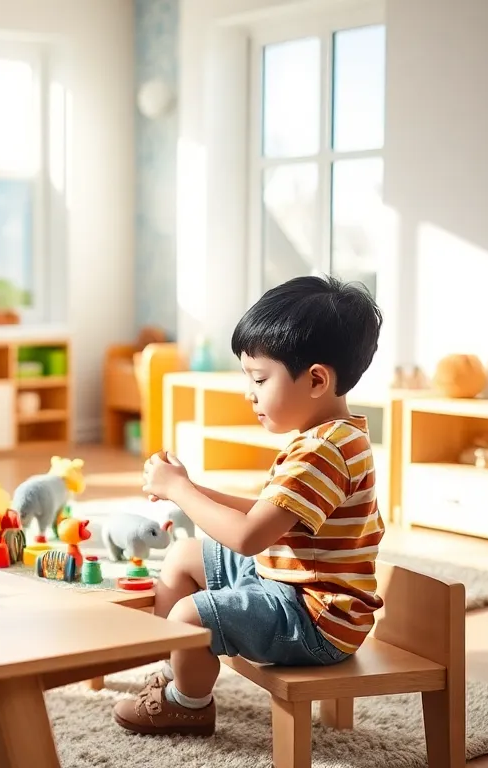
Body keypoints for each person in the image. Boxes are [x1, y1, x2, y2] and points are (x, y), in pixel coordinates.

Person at [114, 274, 385, 736]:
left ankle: (189, 703)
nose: (249, 393)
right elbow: (267, 512)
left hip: (315, 620)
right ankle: (179, 665)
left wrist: (182, 492)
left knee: (189, 612)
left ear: (316, 379)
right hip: (290, 585)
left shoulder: (324, 451)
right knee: (183, 555)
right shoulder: (331, 437)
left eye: (259, 378)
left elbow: (248, 535)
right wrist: (190, 486)